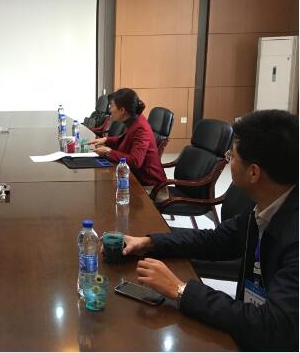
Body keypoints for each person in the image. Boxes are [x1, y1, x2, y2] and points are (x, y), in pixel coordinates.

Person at [117, 110, 298, 351]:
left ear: (254, 172)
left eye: (231, 156)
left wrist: (181, 290)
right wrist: (150, 242)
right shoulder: (266, 204)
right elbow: (215, 240)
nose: (229, 162)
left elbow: (272, 328)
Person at [87, 88, 166, 189]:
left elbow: (135, 161)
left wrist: (108, 152)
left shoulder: (141, 128)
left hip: (149, 186)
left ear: (122, 110)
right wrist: (106, 140)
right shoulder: (134, 120)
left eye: (112, 106)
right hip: (133, 177)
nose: (110, 110)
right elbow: (125, 139)